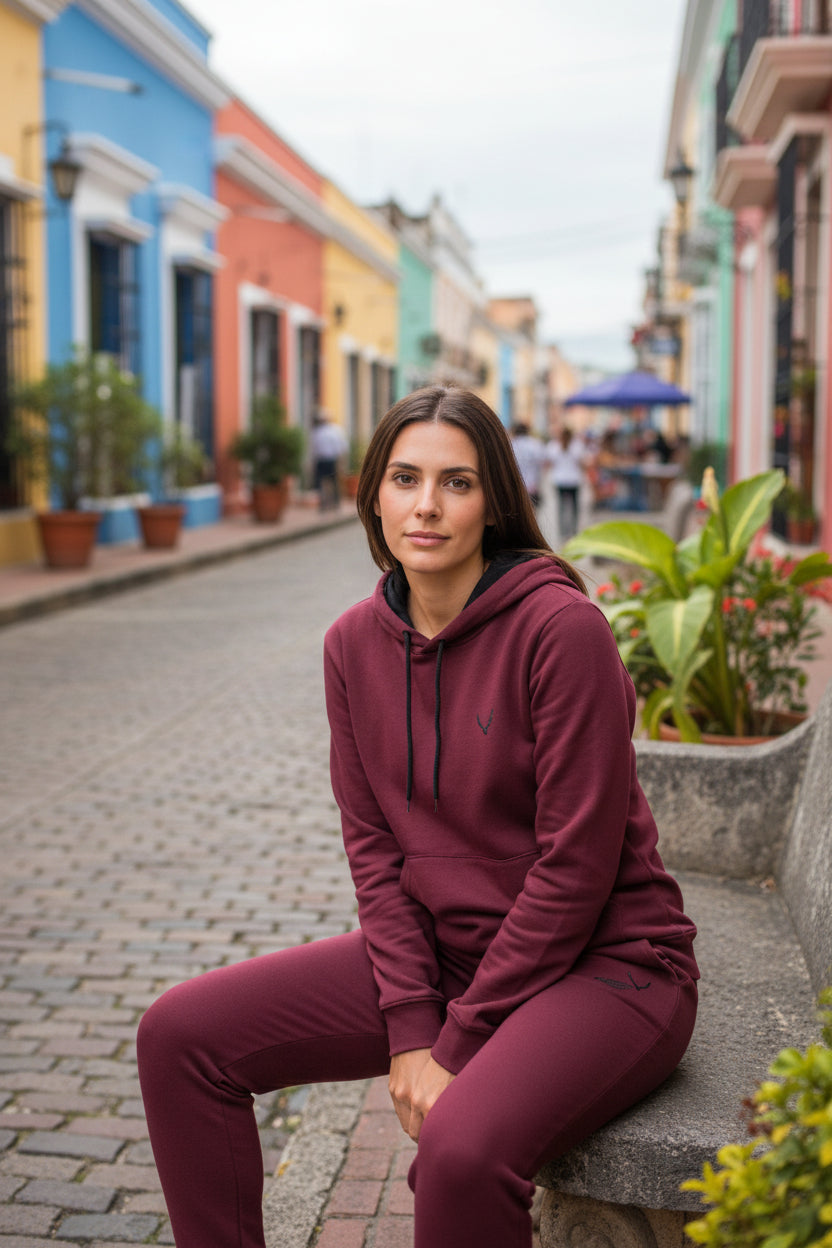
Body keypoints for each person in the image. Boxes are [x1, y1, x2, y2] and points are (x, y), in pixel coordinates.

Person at [137, 385, 698, 1248]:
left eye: (457, 483)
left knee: (460, 1152)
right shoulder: (350, 644)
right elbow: (375, 854)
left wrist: (454, 1043)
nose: (426, 505)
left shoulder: (562, 630)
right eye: (405, 478)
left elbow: (575, 870)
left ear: (493, 502)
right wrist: (411, 1026)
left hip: (610, 965)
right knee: (181, 1039)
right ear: (373, 494)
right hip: (448, 956)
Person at [546, 424, 586, 542]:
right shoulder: (577, 445)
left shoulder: (553, 445)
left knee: (562, 507)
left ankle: (563, 532)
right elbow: (582, 462)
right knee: (574, 507)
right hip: (574, 480)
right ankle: (574, 530)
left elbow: (550, 462)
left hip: (560, 480)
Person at [311, 410, 348, 511]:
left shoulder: (317, 432)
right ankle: (334, 504)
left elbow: (314, 449)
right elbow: (342, 447)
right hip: (331, 460)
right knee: (333, 482)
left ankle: (325, 504)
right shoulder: (335, 431)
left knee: (322, 482)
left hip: (323, 460)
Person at [509, 421, 546, 508]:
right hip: (532, 485)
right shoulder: (535, 444)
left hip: (515, 486)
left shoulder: (510, 444)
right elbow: (543, 462)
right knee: (532, 513)